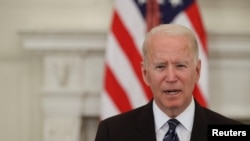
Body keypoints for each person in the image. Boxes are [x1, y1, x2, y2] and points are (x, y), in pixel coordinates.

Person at [94, 24, 242, 141]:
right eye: (160, 67)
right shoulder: (113, 133)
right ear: (145, 74)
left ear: (197, 71)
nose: (171, 77)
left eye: (180, 66)